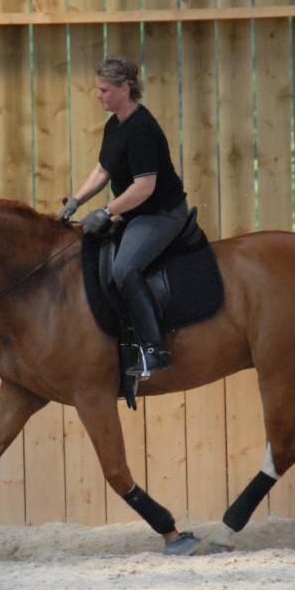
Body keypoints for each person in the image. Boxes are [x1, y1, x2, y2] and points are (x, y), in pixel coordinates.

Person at [57, 57, 189, 379]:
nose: (98, 95)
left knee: (124, 268)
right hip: (136, 213)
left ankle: (154, 350)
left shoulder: (141, 129)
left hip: (160, 213)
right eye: (98, 89)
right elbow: (103, 170)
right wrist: (76, 200)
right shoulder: (115, 125)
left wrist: (105, 212)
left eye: (104, 90)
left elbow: (145, 187)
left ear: (125, 88)